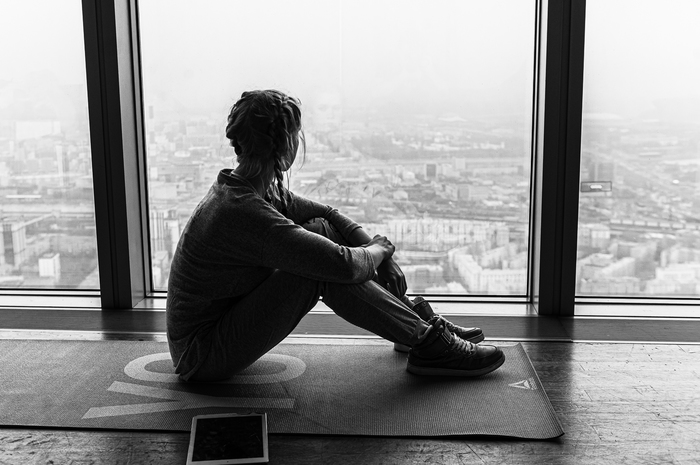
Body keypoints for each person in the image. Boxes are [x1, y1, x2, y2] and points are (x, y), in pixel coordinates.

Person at [166, 89, 505, 382]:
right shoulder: (243, 211)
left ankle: (415, 328)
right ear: (285, 145)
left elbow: (326, 214)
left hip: (217, 330)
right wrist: (379, 251)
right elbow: (341, 266)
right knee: (316, 271)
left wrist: (377, 253)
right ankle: (428, 342)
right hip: (201, 355)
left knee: (319, 229)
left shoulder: (252, 187)